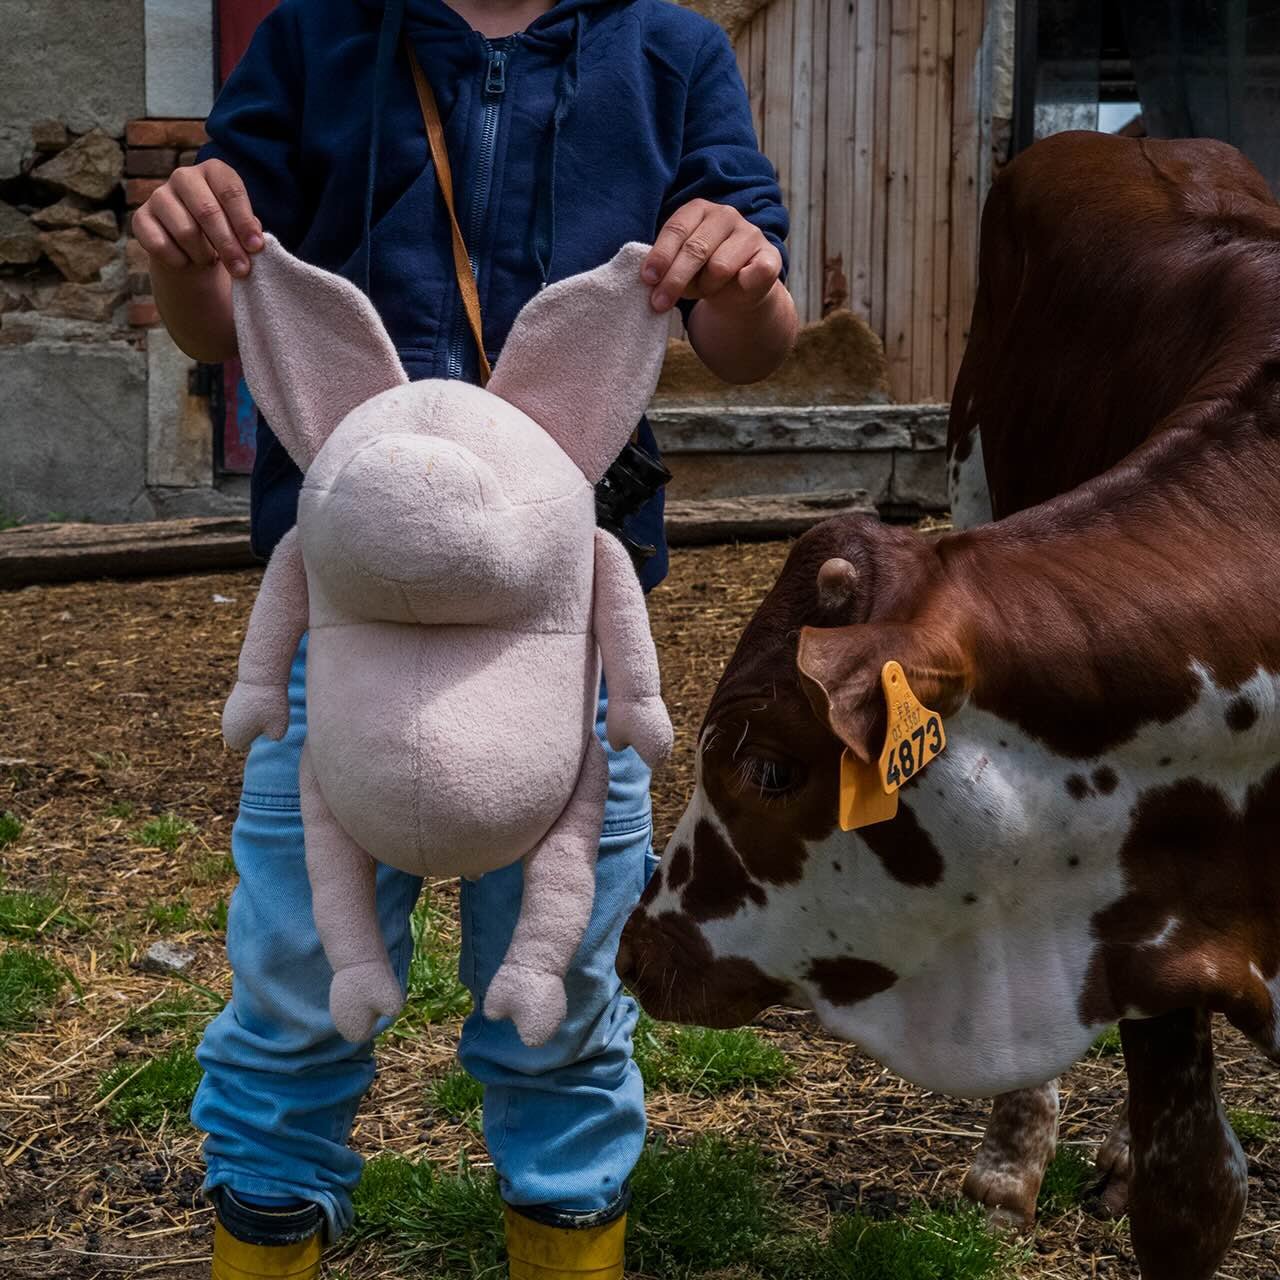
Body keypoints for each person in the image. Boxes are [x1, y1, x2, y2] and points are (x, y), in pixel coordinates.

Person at [137, 0, 794, 1274]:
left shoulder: (669, 53)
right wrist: (182, 251)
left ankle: (565, 1226)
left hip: (562, 640)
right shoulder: (313, 38)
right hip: (346, 620)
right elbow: (221, 321)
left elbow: (745, 345)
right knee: (291, 997)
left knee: (562, 1004)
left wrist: (743, 274)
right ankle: (264, 1217)